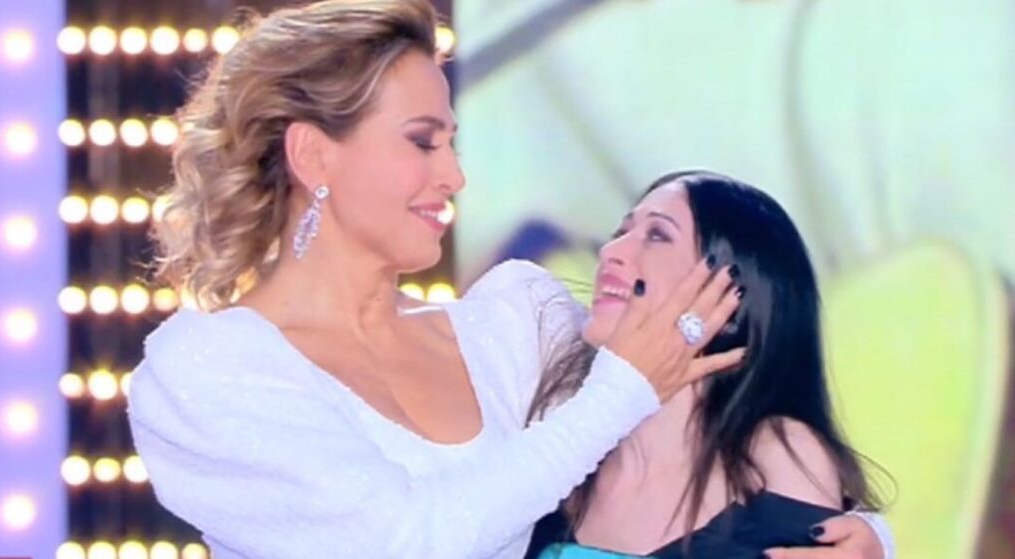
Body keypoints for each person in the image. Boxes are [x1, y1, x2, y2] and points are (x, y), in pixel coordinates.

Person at [126, 1, 891, 557]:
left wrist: (861, 533)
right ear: (314, 155)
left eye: (453, 142)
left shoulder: (515, 322)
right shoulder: (206, 371)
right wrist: (620, 390)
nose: (454, 176)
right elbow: (401, 542)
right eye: (422, 142)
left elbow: (692, 436)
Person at [525, 171, 894, 559]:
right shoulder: (555, 449)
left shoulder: (776, 457)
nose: (611, 251)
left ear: (732, 291)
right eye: (621, 231)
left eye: (657, 235)